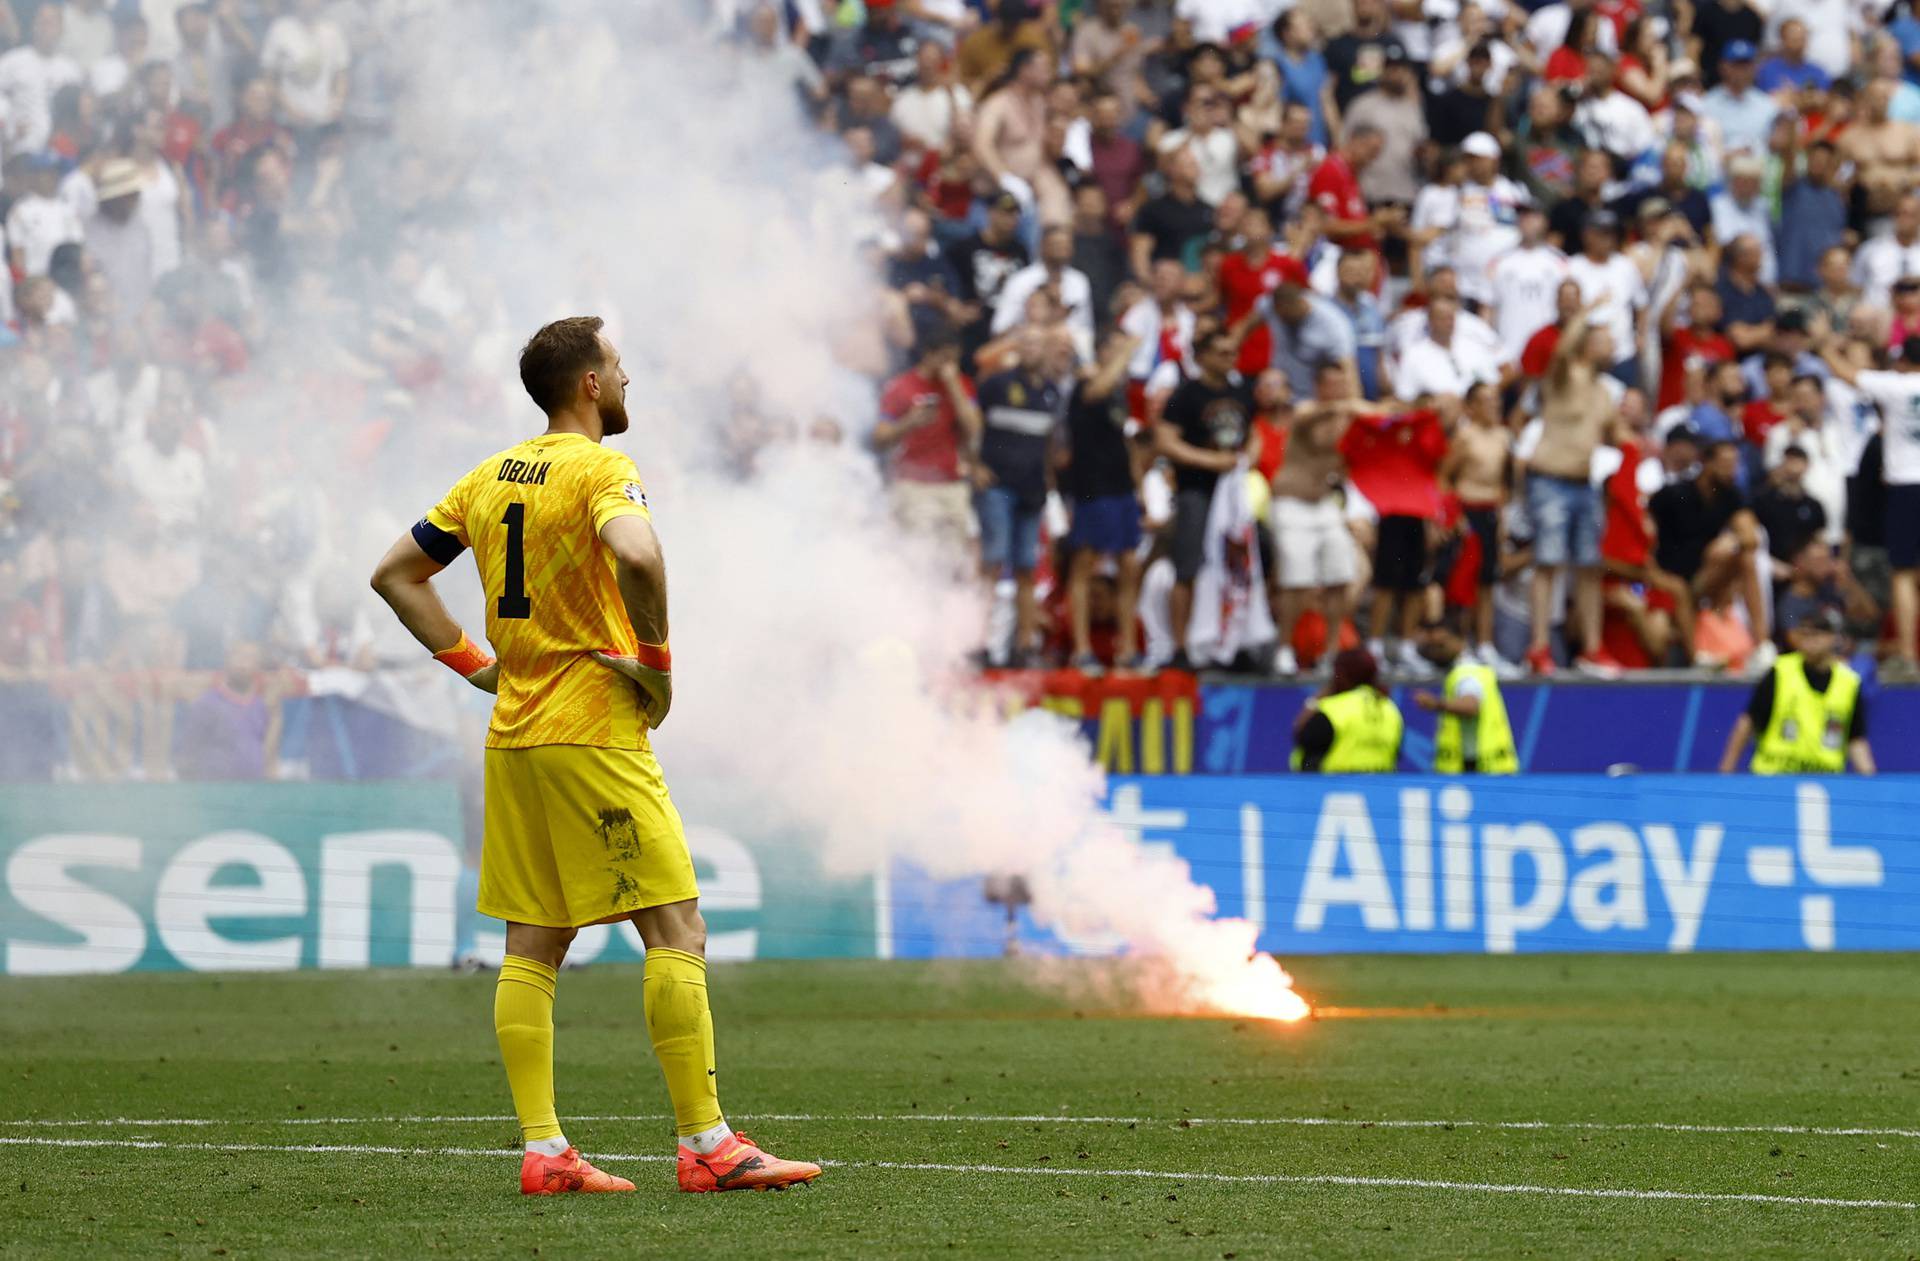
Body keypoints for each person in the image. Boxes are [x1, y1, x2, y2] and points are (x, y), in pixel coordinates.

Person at [369, 317, 820, 1195]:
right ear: (588, 385)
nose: (626, 380)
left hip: (516, 734)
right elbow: (637, 551)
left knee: (534, 942)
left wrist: (479, 667)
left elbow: (394, 574)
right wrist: (655, 658)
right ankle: (708, 1144)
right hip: (593, 728)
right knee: (676, 926)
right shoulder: (604, 469)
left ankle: (545, 1150)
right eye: (618, 367)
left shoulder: (491, 473)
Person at [1819, 333, 1920, 678]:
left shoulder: (1896, 385)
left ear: (1903, 361)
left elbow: (1846, 374)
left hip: (1906, 486)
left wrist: (1825, 342)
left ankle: (1908, 654)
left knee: (1904, 575)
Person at [1528, 309, 1623, 675]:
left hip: (1586, 485)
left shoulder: (1604, 392)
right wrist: (1584, 314)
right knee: (1547, 562)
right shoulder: (1565, 377)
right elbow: (1560, 353)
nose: (1612, 346)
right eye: (1604, 340)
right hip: (1550, 479)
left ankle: (1592, 648)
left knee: (1589, 567)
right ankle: (1538, 647)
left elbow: (1612, 436)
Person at [1155, 328, 1252, 669]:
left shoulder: (1242, 391)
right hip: (1196, 489)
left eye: (1233, 353)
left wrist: (1243, 460)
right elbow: (1166, 442)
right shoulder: (1186, 394)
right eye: (1222, 353)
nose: (1230, 360)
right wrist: (1210, 461)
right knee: (1188, 565)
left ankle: (1231, 642)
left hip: (1234, 494)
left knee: (1238, 568)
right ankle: (1180, 647)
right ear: (1204, 356)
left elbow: (1253, 436)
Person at [974, 327, 1063, 665]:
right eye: (1025, 343)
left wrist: (1049, 480)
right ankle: (979, 641)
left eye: (1037, 344)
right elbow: (971, 423)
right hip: (997, 483)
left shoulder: (1052, 393)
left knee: (1027, 566)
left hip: (1032, 489)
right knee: (993, 561)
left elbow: (1051, 442)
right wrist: (973, 464)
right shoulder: (996, 385)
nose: (1031, 350)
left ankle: (1025, 645)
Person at [1065, 330, 1144, 670]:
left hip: (1121, 486)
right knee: (1085, 565)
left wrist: (1137, 485)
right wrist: (1126, 352)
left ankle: (1127, 648)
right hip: (1092, 487)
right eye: (1114, 343)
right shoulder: (1086, 384)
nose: (1122, 350)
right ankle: (1081, 649)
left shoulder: (1119, 392)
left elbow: (1122, 439)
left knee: (1129, 566)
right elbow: (1096, 389)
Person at [1718, 607, 1874, 773]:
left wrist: (1870, 780)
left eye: (1816, 634)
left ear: (1833, 638)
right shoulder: (1781, 671)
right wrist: (1726, 771)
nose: (1808, 641)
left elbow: (1855, 738)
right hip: (1775, 776)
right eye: (1804, 634)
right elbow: (1747, 723)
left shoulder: (1849, 682)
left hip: (1824, 782)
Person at [1414, 612, 1519, 773]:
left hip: (1479, 769)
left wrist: (1436, 704)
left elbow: (1471, 706)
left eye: (1441, 645)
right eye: (1432, 646)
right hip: (1493, 766)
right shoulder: (1475, 669)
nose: (1436, 652)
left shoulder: (1466, 672)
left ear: (1460, 640)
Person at [1291, 647, 1403, 771]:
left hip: (1333, 786)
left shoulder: (1333, 709)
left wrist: (1313, 702)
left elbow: (1303, 740)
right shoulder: (1390, 708)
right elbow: (1396, 753)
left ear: (1341, 674)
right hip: (1379, 787)